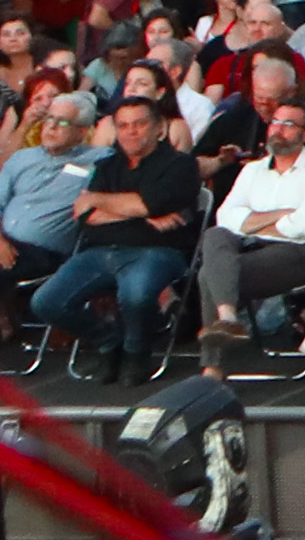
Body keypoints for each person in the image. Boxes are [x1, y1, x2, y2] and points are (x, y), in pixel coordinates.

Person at [27, 87, 203, 370]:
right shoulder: (107, 165)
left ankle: (136, 352)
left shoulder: (180, 164)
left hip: (157, 251)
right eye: (123, 125)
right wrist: (142, 214)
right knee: (46, 302)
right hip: (99, 251)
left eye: (139, 124)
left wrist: (101, 201)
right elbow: (84, 215)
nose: (130, 132)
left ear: (159, 128)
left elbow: (151, 203)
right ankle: (108, 340)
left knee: (135, 296)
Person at [192, 94, 305, 355]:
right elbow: (225, 217)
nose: (278, 130)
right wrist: (281, 215)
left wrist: (252, 222)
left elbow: (304, 226)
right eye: (275, 122)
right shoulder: (253, 170)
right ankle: (228, 318)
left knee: (210, 273)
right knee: (216, 235)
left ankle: (212, 366)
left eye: (288, 125)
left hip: (298, 255)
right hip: (249, 249)